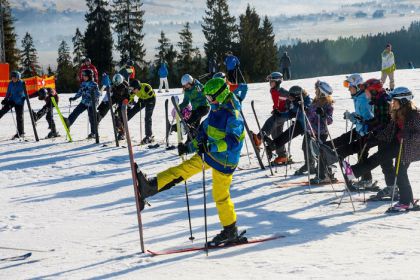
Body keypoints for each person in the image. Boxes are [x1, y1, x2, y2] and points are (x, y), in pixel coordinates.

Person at [136, 77, 246, 245]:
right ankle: (150, 187)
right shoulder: (217, 107)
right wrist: (189, 147)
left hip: (225, 160)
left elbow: (233, 141)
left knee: (220, 196)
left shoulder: (233, 113)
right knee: (183, 169)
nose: (209, 101)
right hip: (210, 154)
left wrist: (210, 148)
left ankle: (230, 230)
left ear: (221, 94)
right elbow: (205, 129)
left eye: (211, 97)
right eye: (207, 98)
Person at [344, 87, 420, 212]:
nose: (392, 103)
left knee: (400, 171)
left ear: (403, 101)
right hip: (399, 144)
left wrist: (408, 136)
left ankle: (407, 202)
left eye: (394, 101)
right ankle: (352, 172)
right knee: (378, 157)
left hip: (411, 148)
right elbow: (388, 131)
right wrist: (373, 138)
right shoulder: (397, 113)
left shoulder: (414, 115)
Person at [264, 85, 313, 175]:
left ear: (297, 95)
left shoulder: (308, 100)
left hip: (310, 126)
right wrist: (280, 114)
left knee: (306, 146)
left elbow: (308, 109)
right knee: (287, 134)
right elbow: (290, 113)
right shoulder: (294, 102)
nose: (290, 98)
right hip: (300, 123)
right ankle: (272, 146)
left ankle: (311, 165)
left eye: (291, 96)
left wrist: (301, 107)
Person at [251, 72, 290, 165]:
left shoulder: (283, 91)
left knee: (271, 121)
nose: (270, 83)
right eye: (269, 81)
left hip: (284, 114)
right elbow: (277, 102)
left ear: (277, 82)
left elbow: (291, 100)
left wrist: (285, 109)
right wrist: (275, 109)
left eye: (271, 81)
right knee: (276, 134)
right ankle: (282, 156)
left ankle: (259, 138)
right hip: (278, 113)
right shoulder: (273, 90)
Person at [65, 69, 101, 139]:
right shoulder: (83, 84)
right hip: (84, 102)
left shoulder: (94, 84)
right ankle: (68, 122)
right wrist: (74, 98)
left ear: (89, 76)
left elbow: (98, 94)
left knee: (92, 118)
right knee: (76, 111)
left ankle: (94, 133)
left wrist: (90, 94)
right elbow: (80, 92)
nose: (83, 77)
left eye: (85, 76)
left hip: (91, 104)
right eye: (83, 76)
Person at [97, 74, 130, 140]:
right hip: (115, 97)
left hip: (123, 100)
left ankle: (121, 132)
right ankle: (99, 116)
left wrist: (127, 102)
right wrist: (102, 105)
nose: (116, 84)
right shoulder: (113, 84)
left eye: (118, 83)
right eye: (115, 83)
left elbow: (129, 95)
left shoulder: (125, 85)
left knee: (117, 115)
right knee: (106, 104)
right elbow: (108, 92)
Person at [127, 79, 156, 144]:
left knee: (147, 117)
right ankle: (123, 126)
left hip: (151, 100)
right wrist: (128, 108)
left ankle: (149, 136)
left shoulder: (146, 87)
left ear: (137, 87)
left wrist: (144, 101)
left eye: (133, 89)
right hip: (142, 99)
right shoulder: (134, 91)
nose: (132, 90)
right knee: (132, 111)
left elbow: (151, 97)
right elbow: (130, 99)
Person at [0, 71, 26, 139]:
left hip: (19, 102)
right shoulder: (10, 83)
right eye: (12, 77)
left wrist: (13, 102)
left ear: (18, 77)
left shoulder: (21, 83)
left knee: (19, 117)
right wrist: (5, 99)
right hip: (12, 100)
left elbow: (20, 95)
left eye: (14, 77)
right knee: (2, 111)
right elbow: (8, 92)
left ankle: (20, 133)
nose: (13, 79)